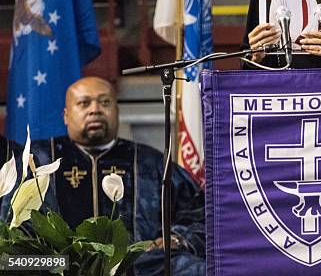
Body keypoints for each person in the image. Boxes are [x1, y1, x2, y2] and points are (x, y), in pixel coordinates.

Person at [29, 77, 205, 276]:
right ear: (66, 115)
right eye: (84, 103)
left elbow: (199, 212)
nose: (95, 110)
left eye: (105, 102)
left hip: (139, 268)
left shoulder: (149, 162)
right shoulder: (39, 161)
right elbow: (14, 229)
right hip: (59, 266)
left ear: (117, 111)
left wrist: (175, 238)